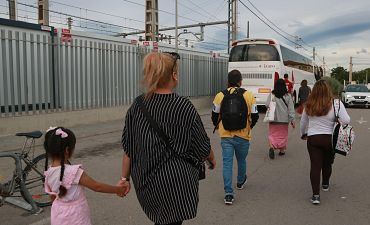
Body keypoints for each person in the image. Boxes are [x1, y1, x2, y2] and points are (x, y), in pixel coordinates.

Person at [120, 52, 216, 225]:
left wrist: (124, 179)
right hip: (177, 183)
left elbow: (129, 148)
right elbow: (201, 145)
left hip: (147, 183)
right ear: (173, 75)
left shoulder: (137, 106)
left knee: (162, 220)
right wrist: (211, 158)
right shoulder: (183, 106)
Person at [44, 127, 127, 225]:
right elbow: (97, 186)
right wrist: (118, 190)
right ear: (67, 150)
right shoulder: (73, 172)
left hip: (58, 213)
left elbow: (53, 196)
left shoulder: (48, 171)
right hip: (75, 215)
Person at [211, 69, 259, 205]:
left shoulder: (220, 95)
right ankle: (240, 181)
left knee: (227, 164)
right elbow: (255, 115)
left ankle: (228, 194)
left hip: (226, 135)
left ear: (228, 81)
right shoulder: (249, 95)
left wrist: (219, 126)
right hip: (243, 135)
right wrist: (249, 127)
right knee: (242, 160)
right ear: (240, 81)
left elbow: (214, 115)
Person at [300, 80, 351, 205]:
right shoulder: (336, 103)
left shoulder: (309, 104)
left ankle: (316, 196)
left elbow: (303, 122)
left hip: (313, 138)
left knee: (315, 166)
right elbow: (346, 120)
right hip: (330, 139)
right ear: (328, 90)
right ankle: (325, 184)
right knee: (328, 163)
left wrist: (303, 134)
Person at [266, 78, 295, 159]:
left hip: (273, 119)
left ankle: (272, 146)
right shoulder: (288, 96)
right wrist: (292, 120)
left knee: (272, 134)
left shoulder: (272, 95)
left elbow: (267, 104)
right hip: (284, 120)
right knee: (283, 135)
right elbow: (291, 109)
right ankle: (282, 150)